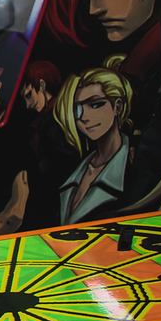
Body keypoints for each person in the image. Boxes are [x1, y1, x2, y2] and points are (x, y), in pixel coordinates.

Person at [52, 61, 135, 224]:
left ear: (117, 106)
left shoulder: (136, 168)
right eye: (78, 109)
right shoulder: (76, 170)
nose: (84, 117)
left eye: (95, 104)